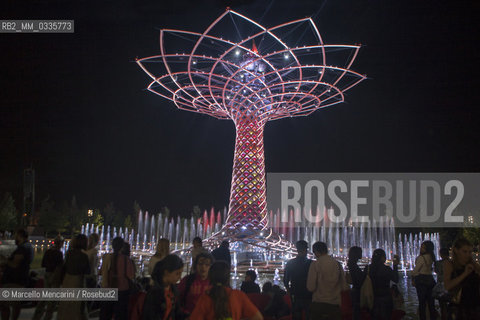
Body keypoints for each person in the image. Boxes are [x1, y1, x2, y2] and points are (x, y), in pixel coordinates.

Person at [190, 261, 263, 320]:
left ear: (210, 277)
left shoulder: (206, 297)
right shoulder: (238, 296)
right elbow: (258, 317)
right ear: (228, 278)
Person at [0, 229, 34, 320]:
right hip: (20, 279)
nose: (15, 238)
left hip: (13, 281)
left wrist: (5, 259)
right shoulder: (28, 246)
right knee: (16, 304)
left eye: (16, 235)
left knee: (4, 304)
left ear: (20, 236)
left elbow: (15, 264)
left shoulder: (23, 248)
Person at [307, 241, 345, 320]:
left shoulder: (315, 264)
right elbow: (344, 286)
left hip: (318, 304)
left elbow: (311, 287)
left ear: (316, 252)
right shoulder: (337, 264)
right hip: (334, 305)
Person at [100, 237, 135, 320]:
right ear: (122, 247)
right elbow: (131, 276)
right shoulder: (126, 260)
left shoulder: (107, 257)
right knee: (121, 314)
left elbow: (101, 272)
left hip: (107, 289)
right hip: (122, 290)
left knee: (105, 314)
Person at [444, 238, 480, 319]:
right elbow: (447, 286)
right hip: (459, 307)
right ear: (456, 250)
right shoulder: (450, 264)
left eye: (470, 252)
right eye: (464, 251)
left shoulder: (473, 264)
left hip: (475, 306)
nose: (468, 255)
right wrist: (465, 274)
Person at [57, 234, 91, 320]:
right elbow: (88, 271)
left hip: (67, 281)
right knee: (76, 307)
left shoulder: (69, 253)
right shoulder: (84, 256)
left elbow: (64, 267)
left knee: (65, 306)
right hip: (77, 282)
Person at [142, 254, 185, 320]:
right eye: (177, 273)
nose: (179, 277)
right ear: (166, 272)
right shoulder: (154, 294)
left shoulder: (174, 290)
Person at [32, 236, 64, 320]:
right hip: (55, 276)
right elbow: (60, 266)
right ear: (60, 243)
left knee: (44, 296)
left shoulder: (48, 252)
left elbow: (43, 264)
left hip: (47, 274)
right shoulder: (59, 253)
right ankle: (47, 317)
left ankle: (37, 316)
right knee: (52, 300)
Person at [367, 249, 399, 320]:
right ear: (382, 258)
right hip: (385, 297)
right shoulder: (386, 269)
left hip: (372, 297)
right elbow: (396, 279)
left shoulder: (368, 268)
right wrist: (395, 265)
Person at [284, 240, 312, 320]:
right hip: (309, 295)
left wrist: (289, 291)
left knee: (296, 316)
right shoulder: (311, 263)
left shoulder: (290, 263)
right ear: (306, 250)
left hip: (295, 294)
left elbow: (286, 280)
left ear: (297, 249)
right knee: (309, 316)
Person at [412, 240, 437, 320]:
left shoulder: (421, 258)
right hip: (430, 280)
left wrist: (412, 277)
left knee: (422, 304)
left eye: (423, 247)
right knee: (431, 304)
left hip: (422, 281)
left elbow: (416, 270)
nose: (421, 249)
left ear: (427, 248)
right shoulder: (431, 257)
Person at [347, 246, 365, 320]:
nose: (361, 254)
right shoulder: (353, 265)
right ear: (356, 254)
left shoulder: (352, 264)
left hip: (355, 291)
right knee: (357, 312)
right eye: (360, 252)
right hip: (357, 293)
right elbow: (358, 280)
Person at [433, 248, 450, 320]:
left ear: (440, 254)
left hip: (440, 285)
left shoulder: (438, 263)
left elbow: (436, 271)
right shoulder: (451, 262)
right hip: (450, 284)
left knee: (442, 304)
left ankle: (444, 317)